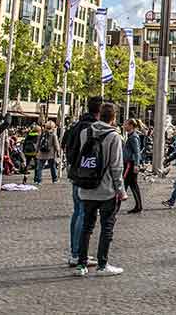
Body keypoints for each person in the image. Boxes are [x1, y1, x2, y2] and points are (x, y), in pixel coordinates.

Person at [72, 102, 126, 277]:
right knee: (106, 227)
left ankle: (81, 264)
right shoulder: (114, 136)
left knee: (87, 227)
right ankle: (103, 264)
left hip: (86, 186)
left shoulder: (84, 132)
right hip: (106, 189)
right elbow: (116, 166)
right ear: (113, 118)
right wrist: (121, 190)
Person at [63, 96, 103, 267]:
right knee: (82, 212)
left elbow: (66, 145)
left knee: (77, 211)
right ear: (99, 111)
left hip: (75, 172)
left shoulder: (76, 125)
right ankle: (78, 253)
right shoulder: (91, 128)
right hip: (84, 174)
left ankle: (75, 251)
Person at [121, 119, 144, 214]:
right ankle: (138, 206)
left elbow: (137, 152)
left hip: (130, 164)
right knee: (133, 185)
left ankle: (115, 206)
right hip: (130, 163)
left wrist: (136, 165)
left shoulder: (133, 137)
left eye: (125, 124)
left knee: (124, 184)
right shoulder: (131, 136)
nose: (123, 126)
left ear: (131, 126)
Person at [33, 121, 61, 185]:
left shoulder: (41, 133)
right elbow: (56, 144)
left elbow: (38, 143)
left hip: (41, 153)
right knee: (52, 167)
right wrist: (58, 152)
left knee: (40, 167)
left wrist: (36, 151)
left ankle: (38, 180)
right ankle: (54, 179)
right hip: (51, 153)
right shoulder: (53, 134)